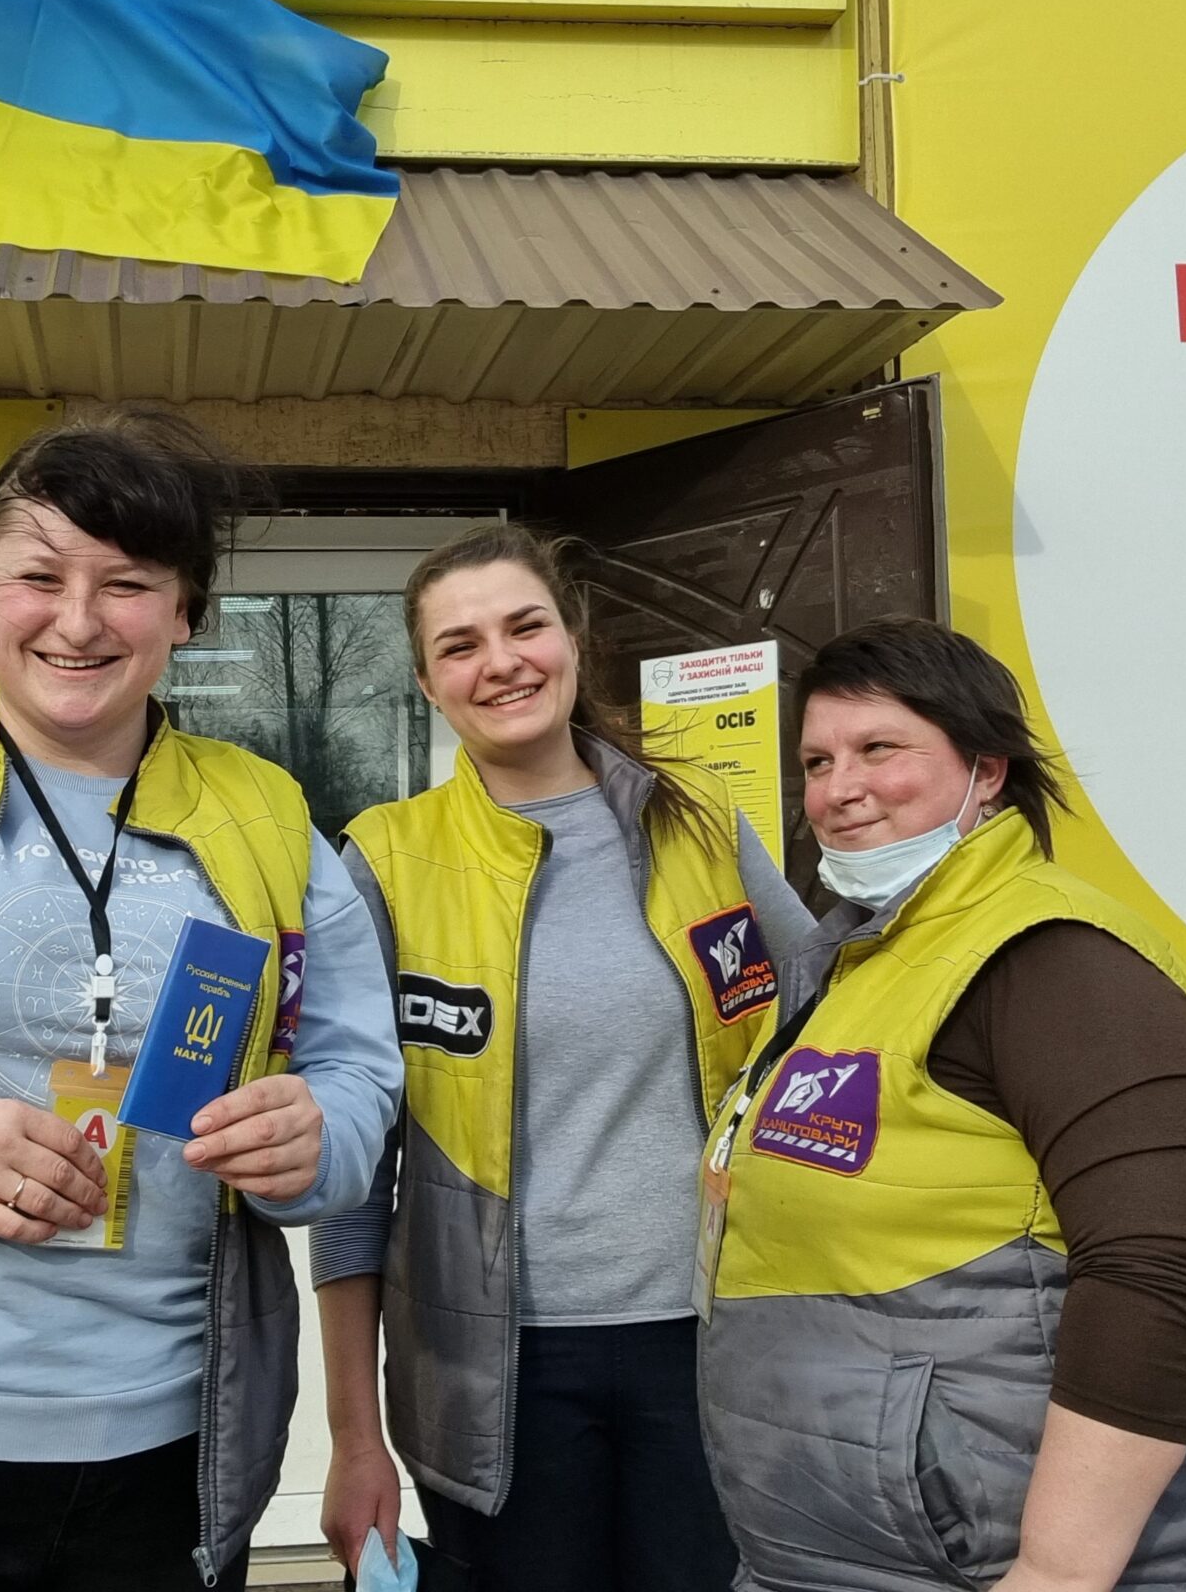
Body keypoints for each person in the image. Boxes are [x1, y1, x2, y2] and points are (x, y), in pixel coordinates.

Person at [0, 408, 404, 1592]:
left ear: (184, 614)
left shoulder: (269, 818)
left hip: (182, 1445)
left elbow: (360, 1074)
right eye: (39, 575)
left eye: (127, 583)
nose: (77, 619)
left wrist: (316, 1139)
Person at [312, 521, 816, 1591]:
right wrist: (354, 1439)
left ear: (573, 640)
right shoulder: (384, 862)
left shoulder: (699, 822)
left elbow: (830, 1022)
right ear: (426, 683)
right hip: (492, 1369)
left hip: (704, 1339)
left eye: (523, 626)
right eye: (459, 645)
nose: (499, 662)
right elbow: (354, 1193)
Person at [696, 616, 1186, 1589]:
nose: (837, 790)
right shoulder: (855, 963)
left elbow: (1160, 1271)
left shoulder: (1059, 961)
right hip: (841, 1552)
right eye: (816, 761)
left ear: (986, 770)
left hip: (997, 1560)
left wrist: (1057, 1571)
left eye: (879, 750)